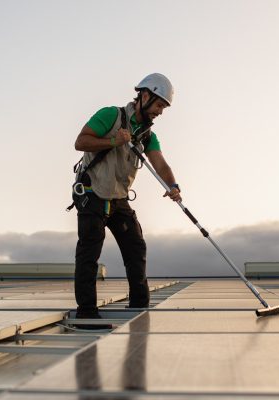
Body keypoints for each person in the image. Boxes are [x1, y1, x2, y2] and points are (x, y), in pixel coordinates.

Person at [72, 73, 181, 329]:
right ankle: (87, 315)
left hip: (118, 199)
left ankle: (139, 308)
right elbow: (81, 142)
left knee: (136, 248)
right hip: (92, 194)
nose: (160, 112)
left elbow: (160, 163)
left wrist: (172, 185)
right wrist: (114, 140)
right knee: (90, 251)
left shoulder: (146, 135)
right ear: (144, 96)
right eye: (158, 105)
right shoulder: (111, 115)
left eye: (163, 107)